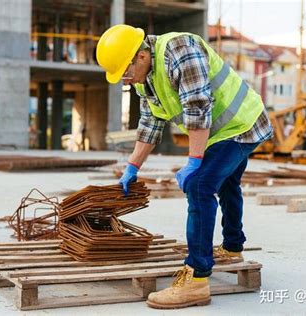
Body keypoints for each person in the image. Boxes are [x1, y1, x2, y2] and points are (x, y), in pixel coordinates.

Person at [96, 24, 273, 309]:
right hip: (219, 132)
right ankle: (232, 248)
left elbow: (197, 108)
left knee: (200, 185)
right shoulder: (145, 78)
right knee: (226, 183)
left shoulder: (180, 50)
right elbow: (150, 124)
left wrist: (193, 163)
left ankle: (197, 279)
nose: (124, 79)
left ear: (140, 55)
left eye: (125, 71)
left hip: (242, 125)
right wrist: (132, 167)